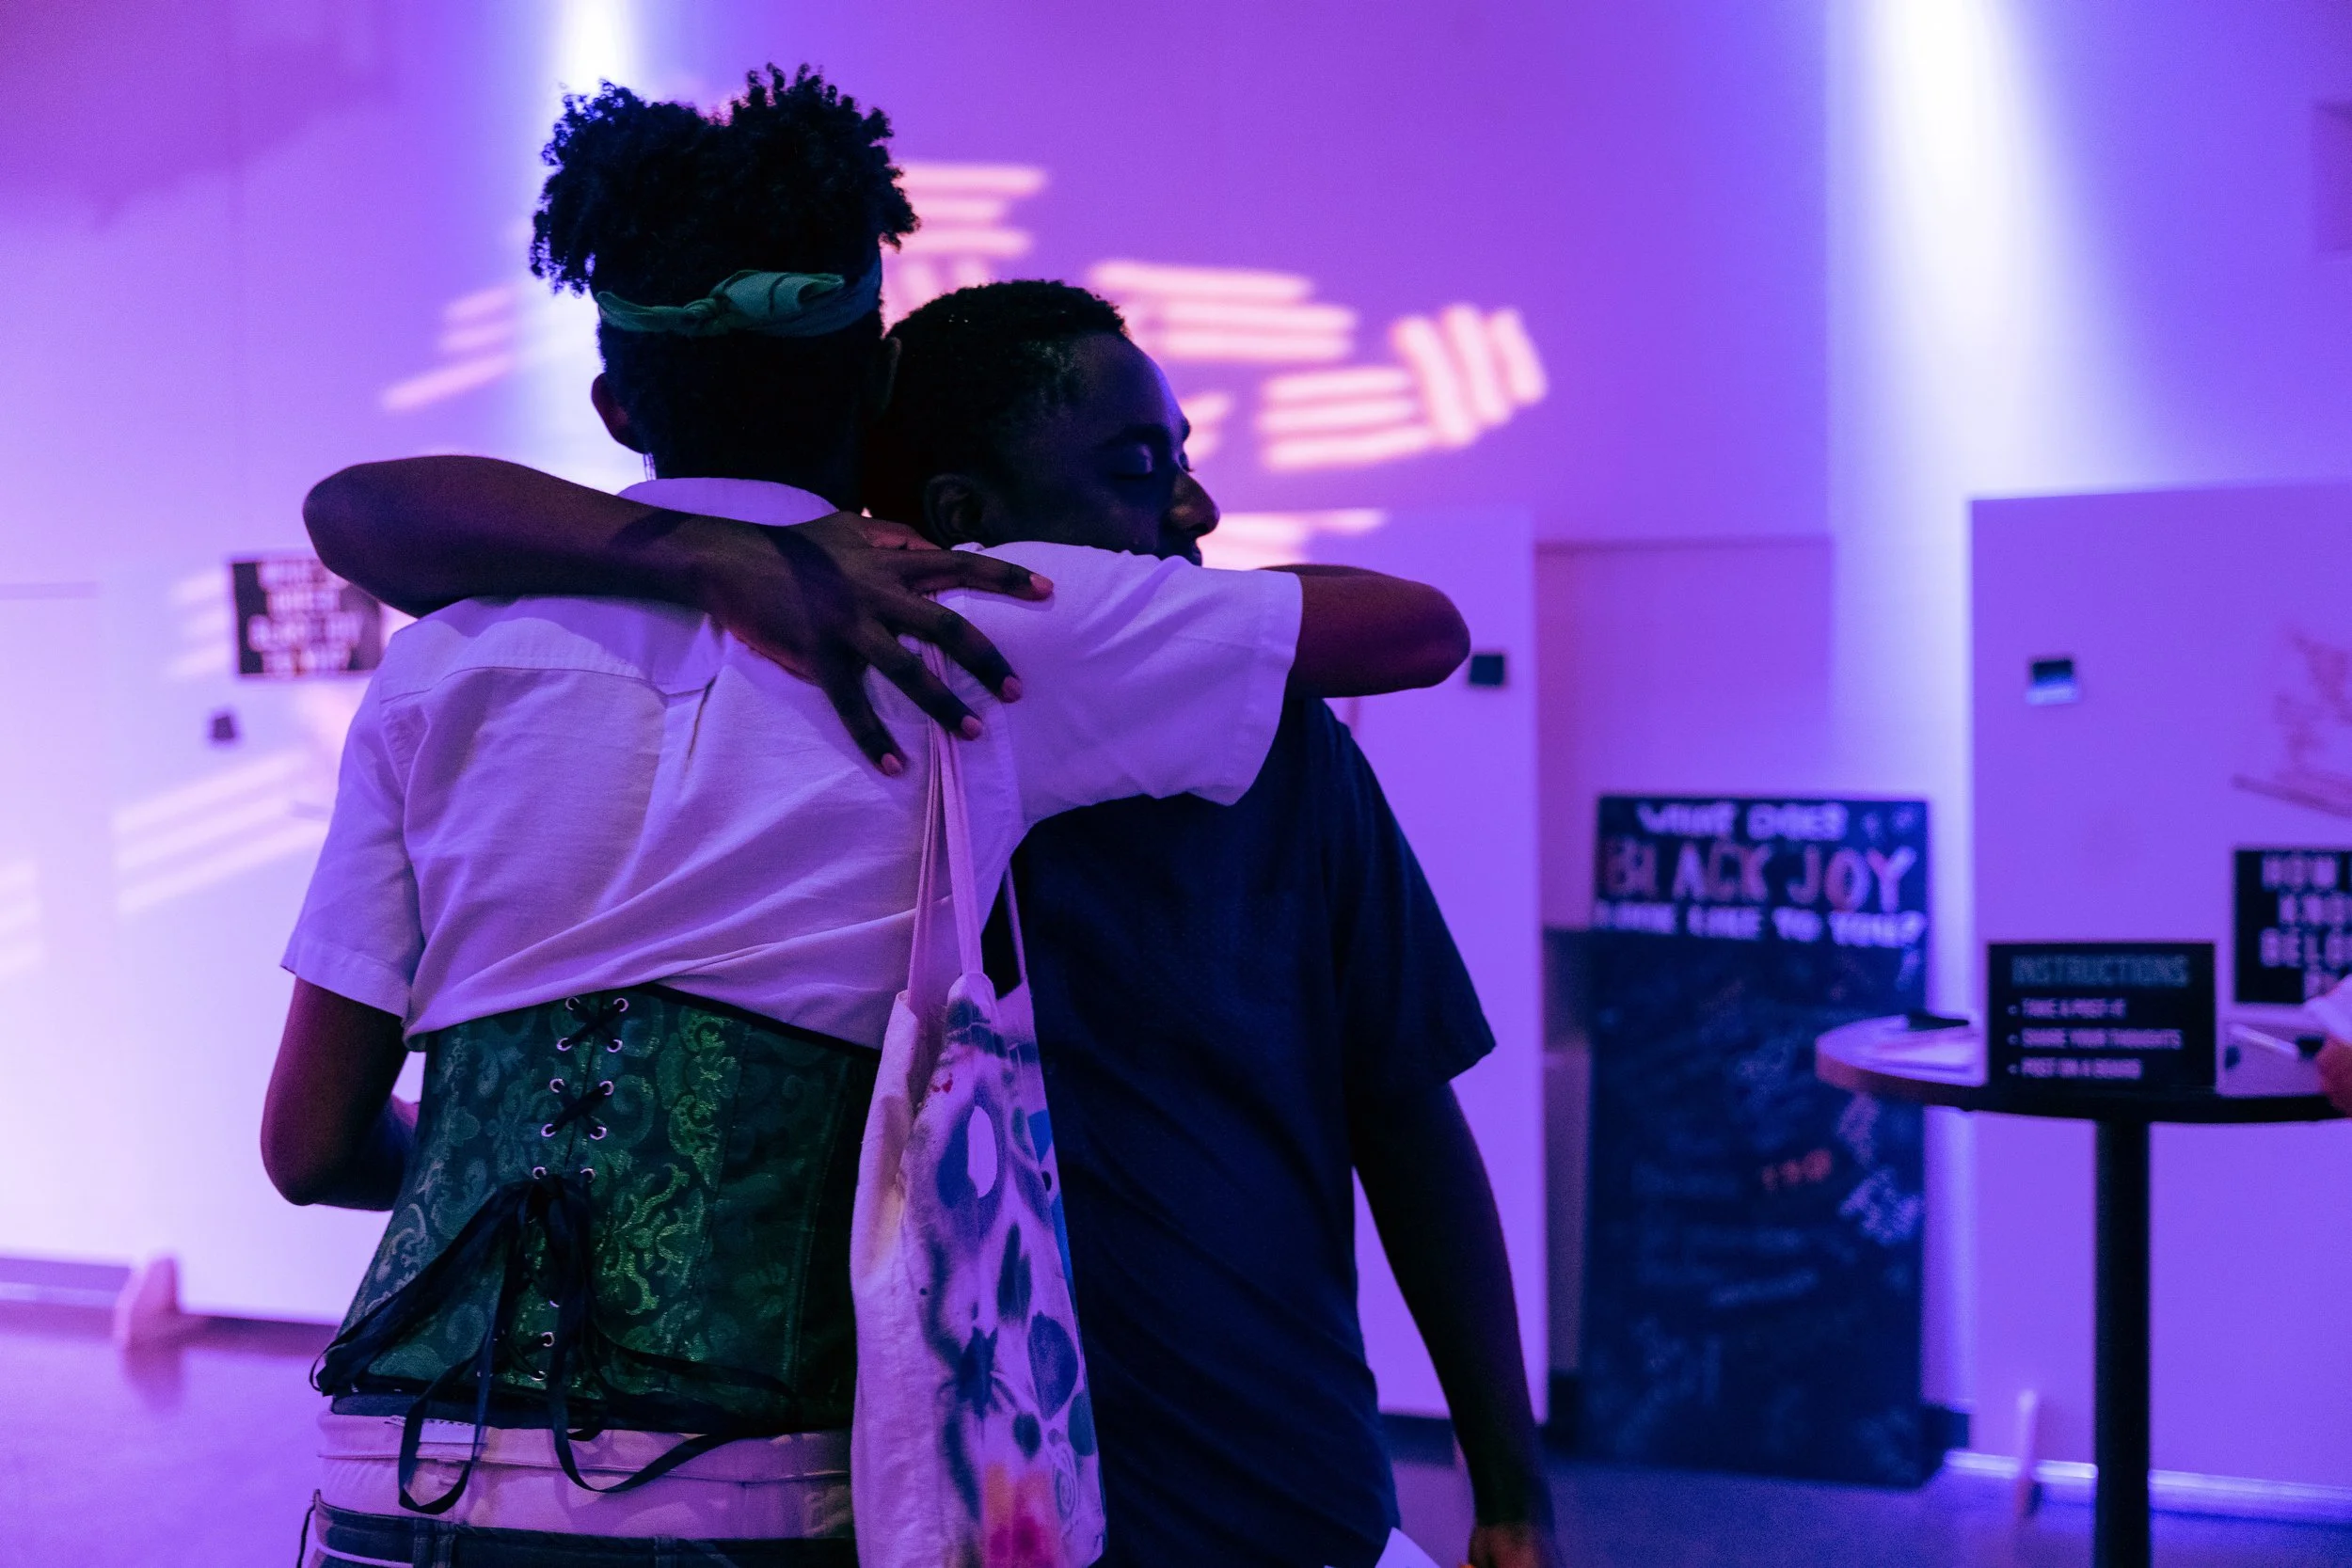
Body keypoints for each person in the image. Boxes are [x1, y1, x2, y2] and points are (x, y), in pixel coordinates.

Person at [263, 69, 1466, 1568]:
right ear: (870, 390)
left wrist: (497, 1180)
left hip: (394, 1459)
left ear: (615, 402)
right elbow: (1417, 629)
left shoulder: (443, 659)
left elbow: (309, 1144)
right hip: (760, 1478)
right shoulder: (967, 623)